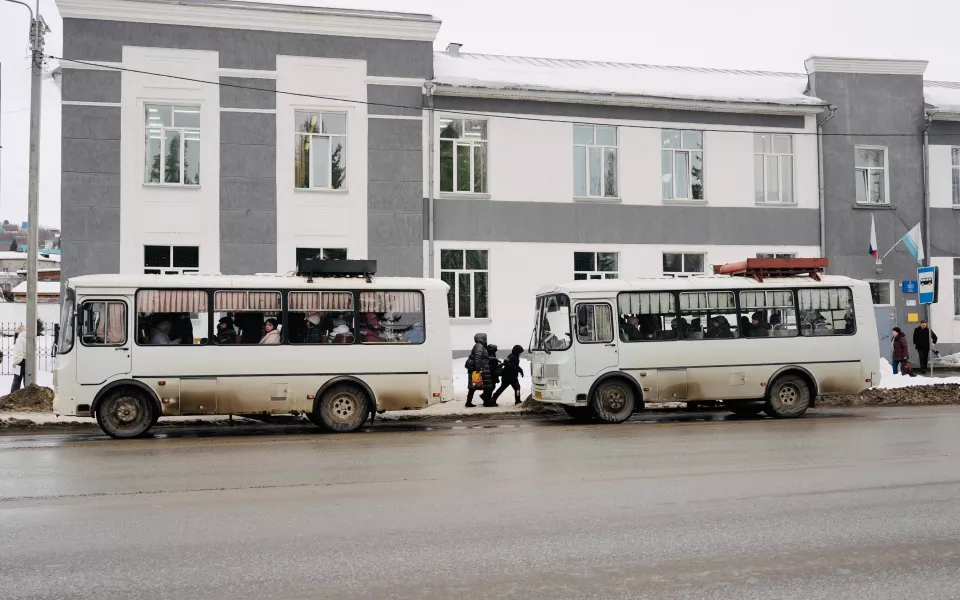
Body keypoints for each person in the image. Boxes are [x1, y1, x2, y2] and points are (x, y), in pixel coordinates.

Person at [464, 333, 491, 408]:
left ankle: (469, 402)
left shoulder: (479, 346)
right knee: (473, 387)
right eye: (485, 338)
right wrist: (478, 369)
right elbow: (478, 358)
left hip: (477, 369)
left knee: (474, 387)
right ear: (482, 339)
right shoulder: (479, 346)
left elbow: (483, 357)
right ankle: (469, 402)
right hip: (477, 370)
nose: (486, 340)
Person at [10, 325, 26, 393]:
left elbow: (18, 352)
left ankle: (13, 396)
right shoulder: (28, 337)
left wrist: (15, 362)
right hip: (27, 360)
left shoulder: (20, 339)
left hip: (20, 360)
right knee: (27, 380)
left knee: (16, 379)